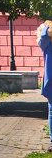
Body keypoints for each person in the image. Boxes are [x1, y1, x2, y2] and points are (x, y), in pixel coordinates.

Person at [38, 20, 52, 152]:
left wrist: (45, 27)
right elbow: (43, 36)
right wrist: (47, 28)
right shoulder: (46, 44)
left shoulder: (46, 45)